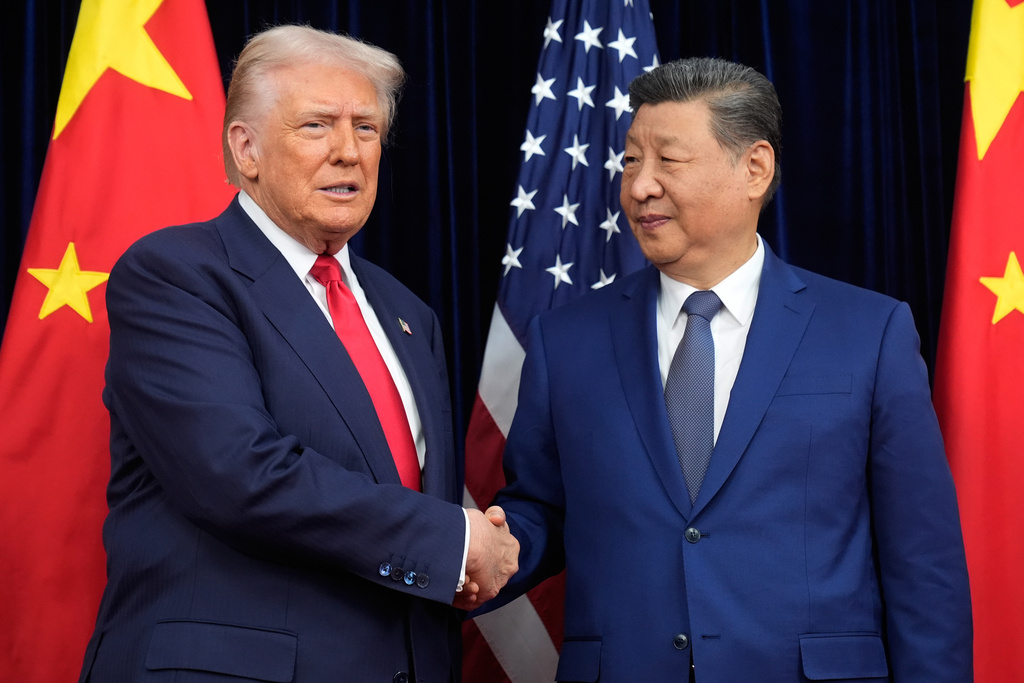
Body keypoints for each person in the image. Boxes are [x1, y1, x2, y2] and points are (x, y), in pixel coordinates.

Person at [481, 57, 972, 682]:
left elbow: (922, 561)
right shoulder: (565, 341)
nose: (639, 186)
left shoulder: (869, 333)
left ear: (754, 168)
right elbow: (540, 509)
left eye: (668, 160)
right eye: (630, 161)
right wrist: (483, 551)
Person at [78, 25, 516, 683]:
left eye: (366, 128)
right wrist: (453, 541)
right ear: (246, 148)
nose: (348, 152)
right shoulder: (175, 275)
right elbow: (240, 474)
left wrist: (466, 552)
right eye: (316, 126)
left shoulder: (408, 315)